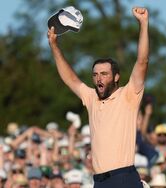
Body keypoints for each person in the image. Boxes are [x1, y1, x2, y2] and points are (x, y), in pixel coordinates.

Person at [48, 6, 149, 188]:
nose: (98, 78)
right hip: (99, 181)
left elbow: (142, 62)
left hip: (123, 177)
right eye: (95, 74)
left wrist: (143, 24)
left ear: (116, 77)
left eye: (104, 74)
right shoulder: (91, 98)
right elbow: (70, 79)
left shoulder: (128, 95)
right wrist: (54, 46)